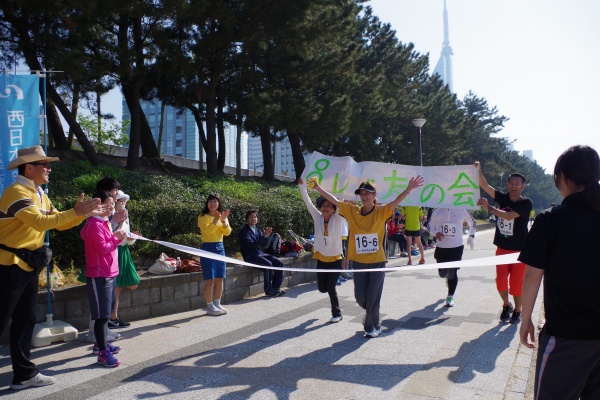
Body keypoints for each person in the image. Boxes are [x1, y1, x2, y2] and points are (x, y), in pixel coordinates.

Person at [0, 146, 103, 389]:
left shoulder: (39, 193)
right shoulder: (16, 192)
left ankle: (24, 375)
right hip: (8, 265)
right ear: (29, 167)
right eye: (44, 164)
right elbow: (40, 222)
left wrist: (82, 214)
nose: (49, 169)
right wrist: (76, 211)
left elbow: (58, 223)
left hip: (26, 265)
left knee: (25, 321)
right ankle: (24, 374)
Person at [518, 145, 600, 399]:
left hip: (567, 336)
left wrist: (525, 319)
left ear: (562, 177)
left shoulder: (551, 219)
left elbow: (532, 275)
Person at [312, 176, 424, 338]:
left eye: (367, 193)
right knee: (360, 297)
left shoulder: (381, 211)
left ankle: (373, 326)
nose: (364, 196)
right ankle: (370, 313)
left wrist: (408, 189)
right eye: (362, 194)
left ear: (374, 195)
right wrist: (317, 187)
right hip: (359, 262)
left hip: (377, 262)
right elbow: (335, 201)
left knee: (373, 296)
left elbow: (395, 202)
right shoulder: (353, 211)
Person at [475, 161, 532, 324]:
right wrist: (478, 170)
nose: (514, 186)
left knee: (516, 284)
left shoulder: (526, 203)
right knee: (500, 281)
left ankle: (517, 310)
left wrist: (489, 208)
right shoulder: (503, 198)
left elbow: (509, 216)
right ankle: (506, 305)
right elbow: (485, 185)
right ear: (507, 185)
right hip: (502, 248)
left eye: (517, 183)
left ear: (523, 186)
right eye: (511, 183)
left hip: (519, 251)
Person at [80, 190, 126, 368]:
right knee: (101, 316)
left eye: (112, 204)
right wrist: (117, 238)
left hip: (109, 273)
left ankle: (101, 344)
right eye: (108, 204)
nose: (111, 207)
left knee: (105, 314)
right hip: (99, 275)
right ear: (97, 205)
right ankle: (102, 353)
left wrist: (116, 236)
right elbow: (103, 248)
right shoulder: (94, 224)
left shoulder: (104, 222)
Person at [299, 178, 346, 323]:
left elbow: (340, 203)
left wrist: (342, 187)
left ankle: (337, 313)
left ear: (334, 209)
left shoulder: (338, 219)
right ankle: (335, 310)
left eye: (328, 206)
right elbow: (308, 203)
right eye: (323, 205)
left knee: (331, 288)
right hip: (321, 259)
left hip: (336, 260)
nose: (325, 208)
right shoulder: (317, 217)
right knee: (322, 288)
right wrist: (302, 187)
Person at [429, 208, 476, 307]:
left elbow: (472, 221)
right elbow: (429, 226)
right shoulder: (437, 210)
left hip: (456, 247)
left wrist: (471, 236)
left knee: (452, 272)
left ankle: (450, 296)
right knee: (442, 274)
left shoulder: (461, 208)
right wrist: (436, 233)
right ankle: (447, 279)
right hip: (441, 247)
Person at [108, 190, 139, 329]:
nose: (124, 204)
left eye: (125, 201)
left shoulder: (125, 216)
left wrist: (132, 238)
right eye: (122, 201)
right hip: (114, 251)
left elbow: (126, 237)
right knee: (116, 287)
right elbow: (111, 234)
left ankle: (113, 317)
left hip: (124, 251)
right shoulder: (111, 216)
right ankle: (112, 318)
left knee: (128, 284)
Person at [198, 194, 232, 316]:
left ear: (218, 203)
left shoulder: (222, 216)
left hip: (220, 247)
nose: (212, 204)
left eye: (215, 201)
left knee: (219, 278)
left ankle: (217, 303)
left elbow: (227, 232)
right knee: (210, 279)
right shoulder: (202, 217)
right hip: (207, 248)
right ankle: (210, 306)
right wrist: (216, 220)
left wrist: (223, 220)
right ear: (207, 203)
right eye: (210, 201)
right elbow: (206, 233)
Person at [239, 210, 285, 297]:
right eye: (251, 217)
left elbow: (263, 245)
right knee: (268, 264)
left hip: (260, 253)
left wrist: (266, 237)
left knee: (279, 263)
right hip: (250, 256)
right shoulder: (244, 232)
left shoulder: (257, 229)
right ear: (247, 219)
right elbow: (252, 245)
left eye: (255, 217)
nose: (253, 219)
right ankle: (268, 290)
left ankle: (275, 287)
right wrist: (264, 236)